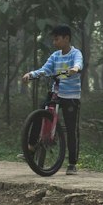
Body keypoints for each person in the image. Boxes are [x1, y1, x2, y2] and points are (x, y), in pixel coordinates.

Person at [23, 25, 84, 173]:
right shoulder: (55, 56)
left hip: (71, 96)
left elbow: (79, 64)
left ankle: (72, 163)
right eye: (53, 39)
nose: (54, 42)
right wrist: (31, 74)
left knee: (70, 129)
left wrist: (75, 69)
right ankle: (31, 148)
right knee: (40, 114)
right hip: (56, 92)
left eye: (57, 39)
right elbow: (45, 69)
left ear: (66, 39)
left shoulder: (76, 53)